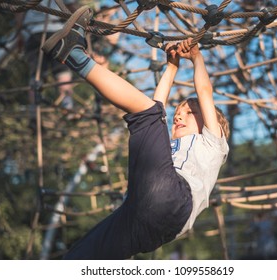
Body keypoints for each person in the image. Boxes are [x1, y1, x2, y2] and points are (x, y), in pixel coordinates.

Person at [41, 6, 230, 259]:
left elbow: (202, 93)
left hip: (173, 203)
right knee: (78, 259)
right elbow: (157, 107)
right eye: (180, 111)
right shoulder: (168, 150)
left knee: (148, 114)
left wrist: (197, 58)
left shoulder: (212, 143)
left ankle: (73, 54)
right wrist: (171, 68)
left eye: (189, 112)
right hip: (144, 219)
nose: (179, 115)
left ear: (210, 123)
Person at [15, 0, 79, 122]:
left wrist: (19, 35)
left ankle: (34, 112)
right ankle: (67, 105)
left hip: (33, 33)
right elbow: (72, 7)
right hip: (57, 30)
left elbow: (18, 13)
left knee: (37, 74)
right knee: (62, 70)